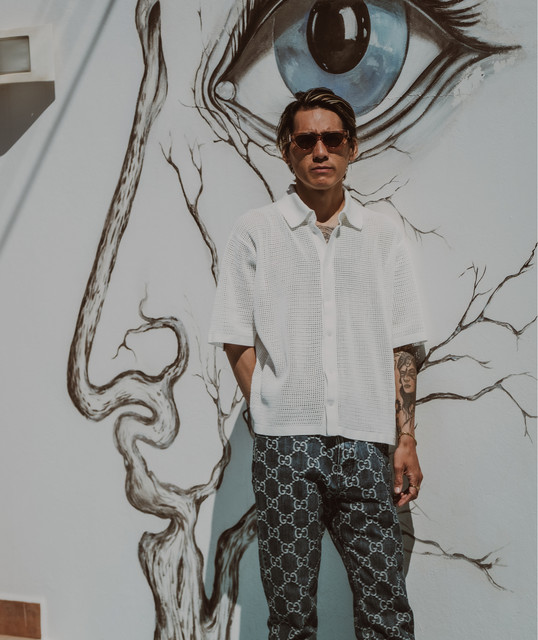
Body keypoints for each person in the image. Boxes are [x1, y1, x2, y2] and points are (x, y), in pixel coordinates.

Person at [209, 87, 426, 640]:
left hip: (366, 443)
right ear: (287, 150)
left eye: (332, 138)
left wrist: (406, 438)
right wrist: (270, 410)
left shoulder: (383, 236)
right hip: (285, 451)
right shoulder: (255, 232)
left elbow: (404, 344)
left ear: (352, 147)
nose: (320, 150)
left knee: (386, 610)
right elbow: (235, 337)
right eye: (306, 141)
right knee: (290, 616)